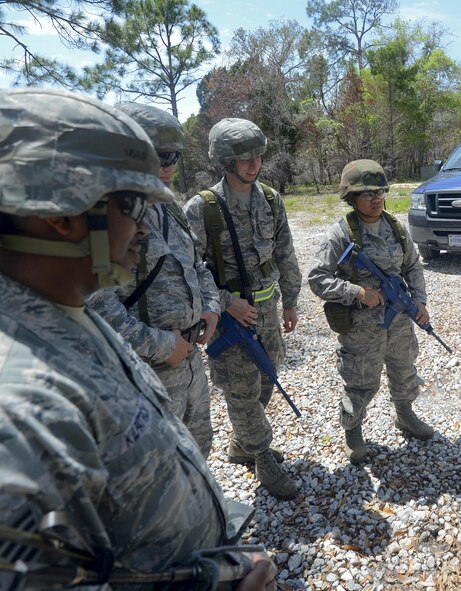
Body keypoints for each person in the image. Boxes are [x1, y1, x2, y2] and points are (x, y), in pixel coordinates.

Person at [0, 89, 276, 590]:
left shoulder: (61, 316)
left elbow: (196, 268)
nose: (145, 227)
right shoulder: (22, 407)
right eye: (133, 202)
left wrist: (211, 309)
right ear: (61, 215)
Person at [87, 103, 220, 458]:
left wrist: (211, 308)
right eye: (162, 157)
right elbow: (96, 305)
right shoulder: (104, 215)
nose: (170, 167)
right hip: (145, 373)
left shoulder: (170, 207)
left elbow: (198, 265)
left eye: (175, 157)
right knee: (155, 468)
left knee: (198, 455)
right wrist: (162, 345)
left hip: (190, 362)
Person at [184, 118, 302, 500]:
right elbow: (189, 269)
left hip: (267, 312)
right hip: (229, 321)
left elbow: (285, 252)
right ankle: (262, 458)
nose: (253, 164)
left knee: (267, 378)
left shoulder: (270, 199)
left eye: (258, 155)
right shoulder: (202, 209)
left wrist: (292, 300)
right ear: (224, 161)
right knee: (241, 390)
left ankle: (241, 444)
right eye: (244, 158)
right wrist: (225, 302)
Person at [307, 159, 435, 465]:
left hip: (400, 321)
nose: (376, 199)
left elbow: (413, 266)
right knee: (361, 382)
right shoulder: (340, 235)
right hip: (362, 329)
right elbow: (317, 278)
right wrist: (357, 293)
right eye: (368, 194)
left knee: (404, 371)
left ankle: (405, 414)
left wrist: (419, 301)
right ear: (351, 197)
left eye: (380, 192)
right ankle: (353, 431)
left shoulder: (397, 228)